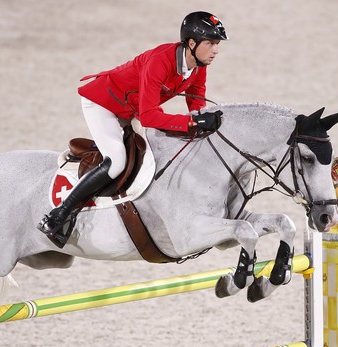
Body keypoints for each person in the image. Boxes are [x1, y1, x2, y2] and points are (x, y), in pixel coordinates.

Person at [38, 11, 228, 247]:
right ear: (192, 43)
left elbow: (196, 102)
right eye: (210, 43)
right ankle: (59, 214)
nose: (216, 50)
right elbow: (149, 117)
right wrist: (191, 124)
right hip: (103, 104)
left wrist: (202, 122)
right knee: (117, 160)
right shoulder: (160, 60)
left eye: (217, 44)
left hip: (131, 109)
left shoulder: (198, 66)